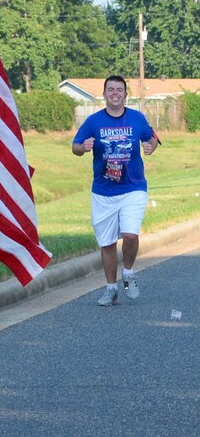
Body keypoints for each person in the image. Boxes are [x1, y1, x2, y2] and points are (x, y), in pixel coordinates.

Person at [72, 75, 159, 306]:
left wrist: (151, 146)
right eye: (110, 89)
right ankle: (111, 289)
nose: (115, 93)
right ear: (104, 94)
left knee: (130, 234)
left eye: (119, 90)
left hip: (133, 186)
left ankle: (128, 272)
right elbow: (75, 147)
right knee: (107, 243)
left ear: (125, 95)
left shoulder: (137, 118)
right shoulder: (93, 121)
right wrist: (83, 147)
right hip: (103, 191)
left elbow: (152, 138)